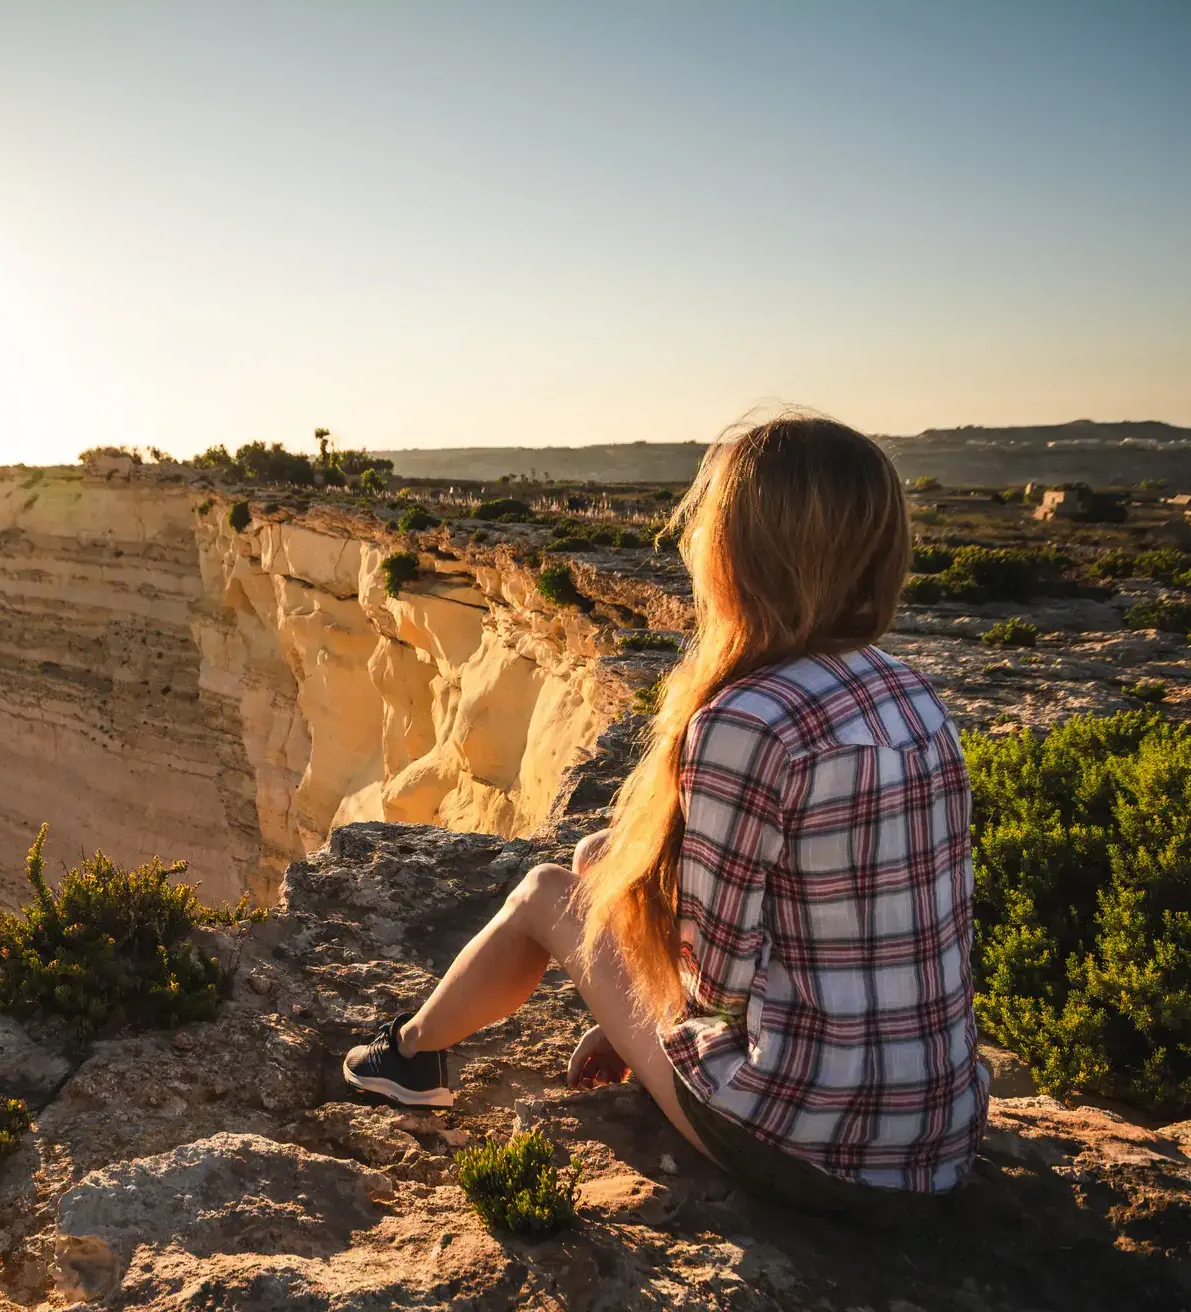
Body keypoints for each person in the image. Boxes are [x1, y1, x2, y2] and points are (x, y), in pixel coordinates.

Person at [342, 413, 989, 1208]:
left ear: (734, 554)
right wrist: (628, 1014)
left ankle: (406, 1054)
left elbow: (716, 982)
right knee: (602, 859)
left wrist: (638, 1021)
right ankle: (419, 1052)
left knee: (550, 892)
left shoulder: (750, 719)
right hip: (940, 1131)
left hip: (809, 1147)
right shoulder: (908, 691)